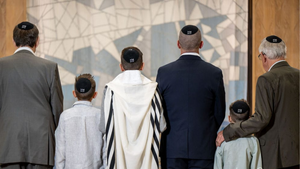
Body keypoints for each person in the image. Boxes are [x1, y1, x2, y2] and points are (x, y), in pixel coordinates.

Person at [216, 35, 300, 169]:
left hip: (274, 157)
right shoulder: (298, 75)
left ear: (264, 56)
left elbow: (261, 119)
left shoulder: (266, 79)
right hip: (296, 153)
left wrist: (230, 131)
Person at [156, 25, 226, 169]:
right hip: (204, 149)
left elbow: (159, 110)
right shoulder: (214, 73)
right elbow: (219, 112)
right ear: (201, 45)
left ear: (178, 44)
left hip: (172, 149)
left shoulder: (164, 72)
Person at [0, 21, 64, 169]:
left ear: (13, 40)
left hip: (8, 145)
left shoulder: (1, 66)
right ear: (37, 40)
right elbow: (57, 110)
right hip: (41, 146)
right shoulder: (50, 67)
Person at [101, 46, 167, 169]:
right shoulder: (153, 90)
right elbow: (161, 126)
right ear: (142, 65)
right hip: (147, 160)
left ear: (121, 67)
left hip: (119, 160)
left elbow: (103, 126)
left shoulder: (111, 90)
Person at [55, 74, 106, 169]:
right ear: (95, 95)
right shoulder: (100, 116)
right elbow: (105, 151)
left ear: (74, 93)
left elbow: (60, 153)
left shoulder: (65, 116)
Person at [214, 99, 262, 169]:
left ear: (229, 118)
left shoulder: (221, 140)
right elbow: (257, 167)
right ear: (249, 119)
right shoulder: (254, 141)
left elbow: (217, 167)